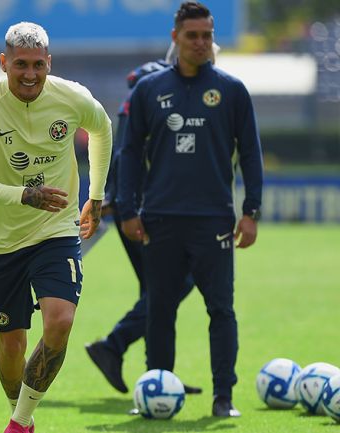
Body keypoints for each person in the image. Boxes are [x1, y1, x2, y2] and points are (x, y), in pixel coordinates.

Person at [0, 22, 112, 433]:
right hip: (0, 240)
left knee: (60, 321)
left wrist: (95, 196)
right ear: (4, 63)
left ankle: (19, 423)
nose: (30, 75)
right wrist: (25, 195)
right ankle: (21, 412)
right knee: (11, 346)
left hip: (55, 230)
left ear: (49, 63)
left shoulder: (71, 97)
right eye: (20, 65)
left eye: (38, 66)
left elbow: (102, 128)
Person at [117, 1, 263, 418]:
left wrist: (251, 210)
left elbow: (251, 154)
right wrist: (127, 208)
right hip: (160, 217)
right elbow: (129, 154)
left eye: (206, 36)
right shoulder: (149, 90)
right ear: (175, 38)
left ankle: (223, 398)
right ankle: (155, 388)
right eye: (192, 36)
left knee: (220, 308)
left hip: (214, 219)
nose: (200, 43)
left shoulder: (232, 91)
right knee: (159, 308)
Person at [85, 52, 221, 396]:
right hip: (146, 210)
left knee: (159, 292)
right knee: (172, 287)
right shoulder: (156, 93)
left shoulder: (142, 90)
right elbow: (128, 153)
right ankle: (116, 346)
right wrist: (123, 202)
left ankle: (159, 379)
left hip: (142, 206)